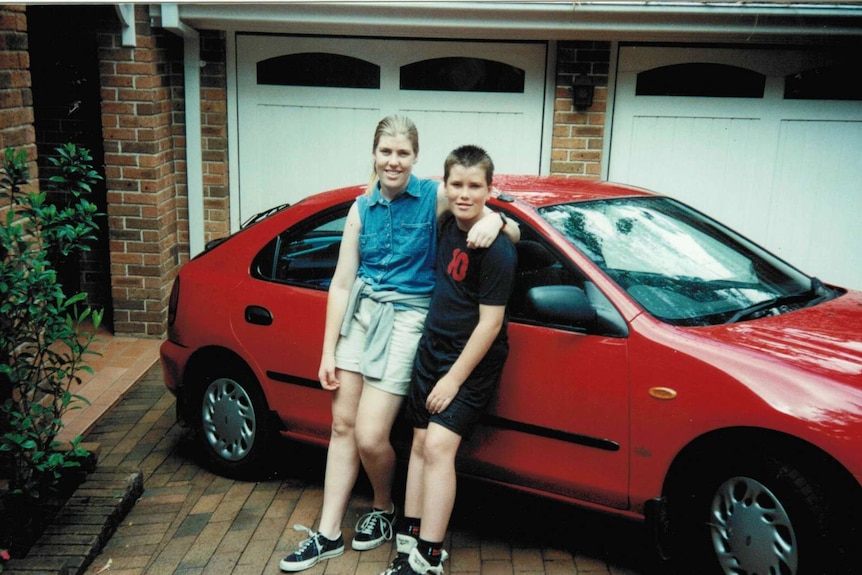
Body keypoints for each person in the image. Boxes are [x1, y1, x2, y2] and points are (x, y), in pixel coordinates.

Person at [279, 118, 519, 573]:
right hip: (361, 316)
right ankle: (328, 533)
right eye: (385, 152)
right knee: (342, 426)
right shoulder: (360, 208)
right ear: (374, 154)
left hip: (408, 317)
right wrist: (328, 350)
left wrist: (497, 219)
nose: (393, 161)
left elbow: (489, 211)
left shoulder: (435, 197)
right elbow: (342, 282)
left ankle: (384, 507)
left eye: (402, 153)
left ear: (415, 158)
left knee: (372, 434)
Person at [382, 145, 517, 575]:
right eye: (456, 184)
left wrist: (454, 380)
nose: (464, 193)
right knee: (420, 444)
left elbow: (491, 325)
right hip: (432, 349)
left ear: (489, 189)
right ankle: (410, 542)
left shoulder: (495, 247)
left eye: (474, 186)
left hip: (468, 362)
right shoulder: (444, 224)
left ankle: (430, 557)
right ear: (445, 186)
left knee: (439, 447)